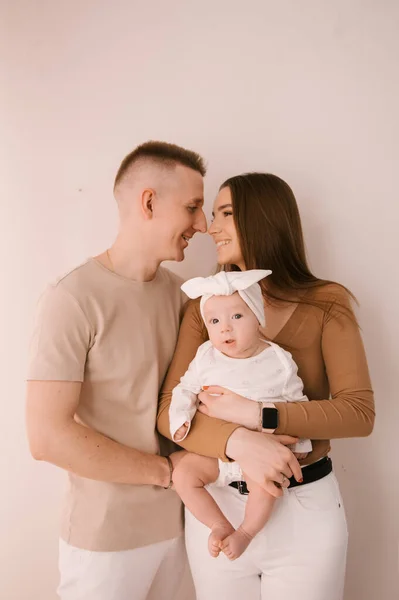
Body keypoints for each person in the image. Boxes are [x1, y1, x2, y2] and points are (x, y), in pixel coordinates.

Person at [157, 172, 375, 600]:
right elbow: (170, 410)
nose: (210, 227)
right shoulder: (206, 309)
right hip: (217, 501)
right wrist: (239, 441)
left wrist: (259, 416)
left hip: (305, 509)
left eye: (226, 214)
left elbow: (358, 413)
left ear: (265, 218)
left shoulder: (327, 302)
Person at [25, 140, 210, 600]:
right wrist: (168, 472)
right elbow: (46, 437)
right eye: (192, 207)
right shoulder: (71, 299)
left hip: (181, 529)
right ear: (149, 201)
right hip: (104, 544)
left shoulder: (187, 298)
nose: (202, 225)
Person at [169, 269, 312, 561]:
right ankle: (218, 524)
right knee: (183, 474)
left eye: (236, 317)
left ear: (258, 319)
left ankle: (245, 532)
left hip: (261, 455)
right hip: (215, 455)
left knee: (265, 485)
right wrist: (181, 418)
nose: (225, 329)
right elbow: (185, 388)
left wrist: (301, 445)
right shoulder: (205, 356)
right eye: (215, 321)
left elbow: (298, 403)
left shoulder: (278, 360)